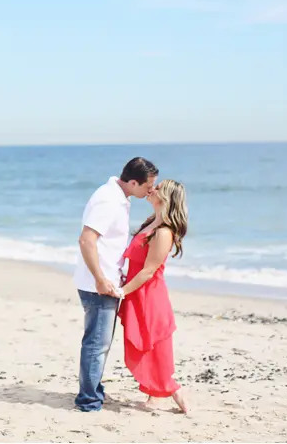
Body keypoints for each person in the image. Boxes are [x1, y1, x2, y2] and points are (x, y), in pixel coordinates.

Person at [73, 157, 158, 412]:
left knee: (100, 342)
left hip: (108, 280)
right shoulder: (108, 200)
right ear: (133, 182)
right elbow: (86, 240)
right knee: (96, 343)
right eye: (148, 186)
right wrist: (100, 279)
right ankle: (88, 400)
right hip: (99, 284)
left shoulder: (121, 197)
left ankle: (93, 390)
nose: (151, 191)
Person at [116, 178, 189, 414]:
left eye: (158, 188)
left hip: (149, 294)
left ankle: (170, 390)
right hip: (136, 291)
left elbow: (148, 271)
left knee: (154, 342)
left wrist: (121, 291)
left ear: (166, 198)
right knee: (144, 342)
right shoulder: (150, 223)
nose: (152, 189)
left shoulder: (164, 232)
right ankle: (156, 392)